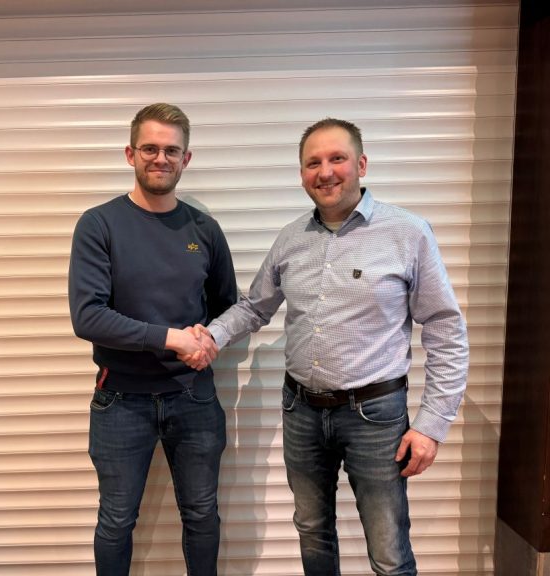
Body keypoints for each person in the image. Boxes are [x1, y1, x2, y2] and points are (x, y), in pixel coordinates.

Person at [185, 118, 469, 575]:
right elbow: (254, 307)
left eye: (337, 158)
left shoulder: (408, 233)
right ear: (302, 174)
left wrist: (432, 424)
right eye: (313, 163)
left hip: (375, 417)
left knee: (389, 551)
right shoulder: (291, 238)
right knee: (312, 531)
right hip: (301, 412)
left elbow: (445, 329)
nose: (325, 172)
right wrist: (209, 337)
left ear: (361, 164)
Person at [68, 103, 237, 576]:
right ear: (131, 154)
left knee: (202, 515)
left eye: (171, 150)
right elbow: (88, 317)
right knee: (117, 520)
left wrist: (207, 339)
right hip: (120, 402)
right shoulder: (99, 225)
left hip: (194, 398)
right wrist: (172, 338)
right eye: (149, 149)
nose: (160, 158)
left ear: (186, 158)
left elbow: (228, 307)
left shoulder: (205, 230)